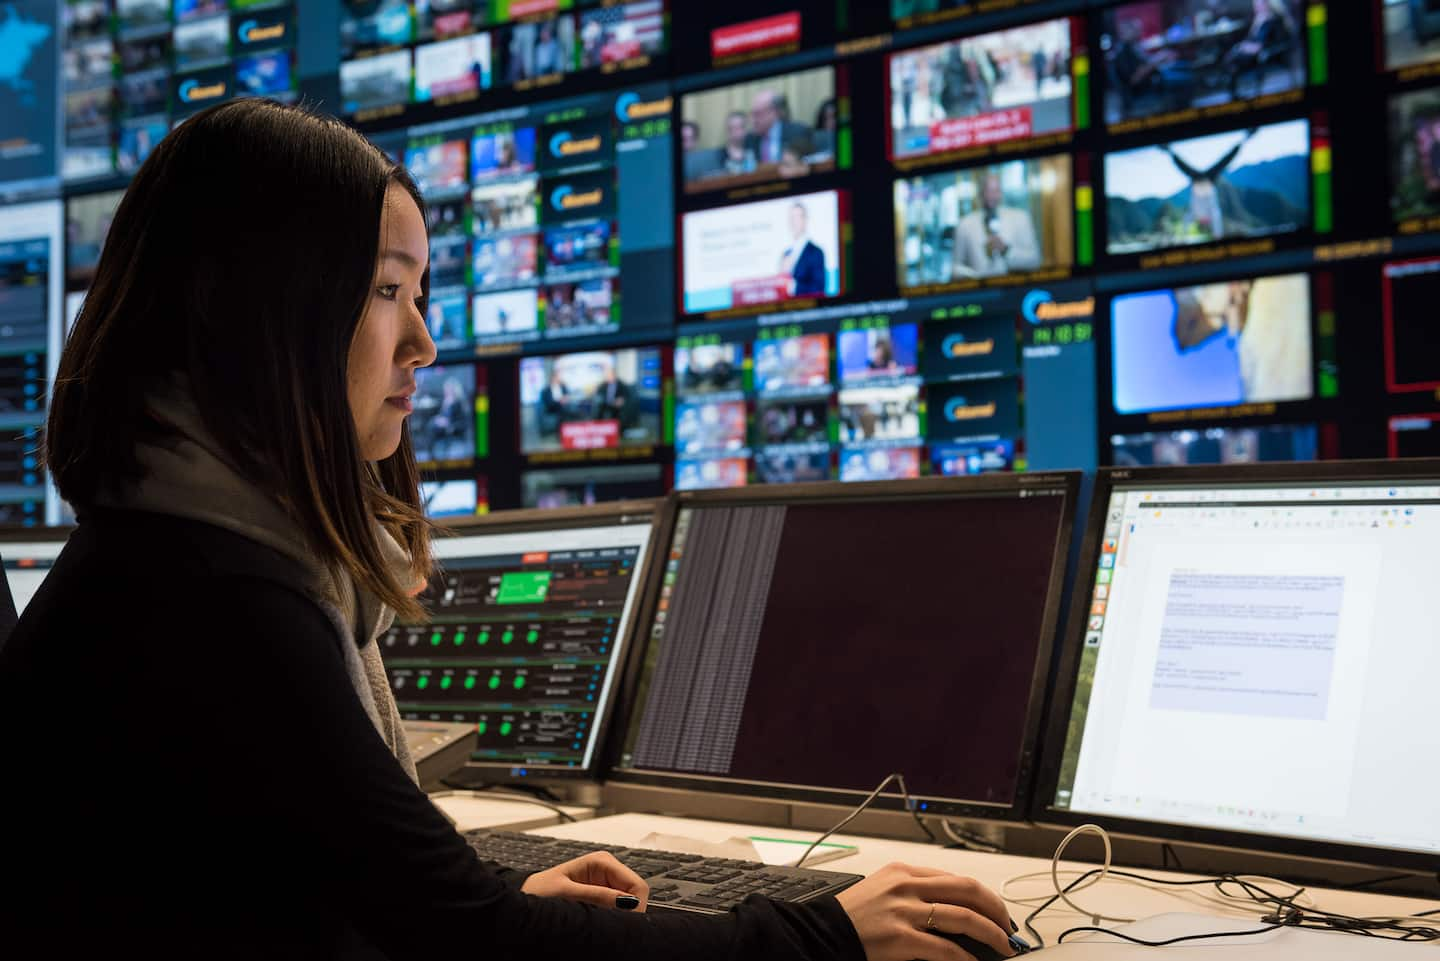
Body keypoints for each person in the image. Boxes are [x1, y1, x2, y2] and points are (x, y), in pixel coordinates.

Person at [0, 98, 1019, 959]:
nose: (424, 342)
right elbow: (467, 941)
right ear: (270, 310)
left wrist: (490, 895)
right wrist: (828, 934)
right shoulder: (220, 598)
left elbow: (360, 883)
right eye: (388, 291)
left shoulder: (165, 547)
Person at [953, 171, 1040, 278]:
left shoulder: (1021, 219)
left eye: (996, 191)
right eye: (988, 191)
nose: (992, 196)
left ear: (1001, 193)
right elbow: (956, 267)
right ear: (981, 194)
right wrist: (973, 276)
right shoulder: (965, 224)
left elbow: (1034, 260)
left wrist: (1006, 250)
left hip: (1013, 289)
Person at [1110, 17, 1195, 112]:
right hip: (1142, 91)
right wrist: (1156, 61)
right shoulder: (1122, 53)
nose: (1138, 31)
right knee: (1185, 82)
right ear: (1123, 32)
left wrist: (1160, 57)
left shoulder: (1133, 46)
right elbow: (1133, 79)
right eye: (1133, 29)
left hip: (1153, 81)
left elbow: (1145, 62)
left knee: (1185, 73)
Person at [747, 90, 813, 165]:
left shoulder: (799, 132)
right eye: (752, 114)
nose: (753, 120)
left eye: (757, 114)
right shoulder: (750, 139)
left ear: (773, 112)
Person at [778, 201, 827, 296]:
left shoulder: (816, 252)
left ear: (805, 220)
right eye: (791, 218)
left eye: (797, 217)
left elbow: (819, 289)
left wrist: (794, 287)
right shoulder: (786, 253)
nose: (793, 222)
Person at [593, 358, 636, 430]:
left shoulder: (621, 384)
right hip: (605, 403)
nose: (607, 376)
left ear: (614, 375)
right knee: (599, 411)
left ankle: (618, 430)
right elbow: (598, 393)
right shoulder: (603, 385)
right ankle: (598, 429)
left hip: (616, 404)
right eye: (606, 375)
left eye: (609, 374)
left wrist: (622, 400)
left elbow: (627, 395)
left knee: (617, 412)